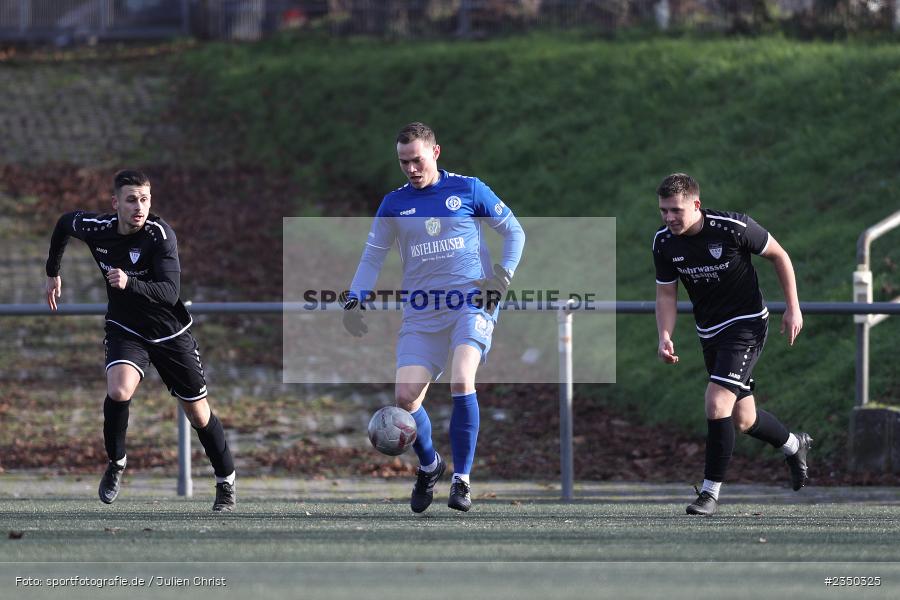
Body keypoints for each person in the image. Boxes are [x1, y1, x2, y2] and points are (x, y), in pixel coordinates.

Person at [343, 122, 525, 513]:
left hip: (470, 303)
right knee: (405, 397)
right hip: (422, 311)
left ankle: (462, 481)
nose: (410, 168)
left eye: (417, 160)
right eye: (403, 162)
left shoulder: (469, 189)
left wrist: (501, 278)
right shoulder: (393, 204)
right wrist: (355, 299)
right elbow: (372, 256)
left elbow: (515, 233)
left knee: (462, 378)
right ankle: (430, 466)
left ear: (436, 153)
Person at [45, 170, 236, 512]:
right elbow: (63, 224)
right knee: (118, 390)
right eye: (131, 199)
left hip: (170, 333)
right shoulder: (96, 228)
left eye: (145, 199)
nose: (139, 207)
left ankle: (226, 482)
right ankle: (116, 463)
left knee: (199, 414)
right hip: (126, 328)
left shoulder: (160, 236)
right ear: (115, 202)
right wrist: (52, 272)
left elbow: (169, 292)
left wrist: (128, 283)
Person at [652, 173, 811, 516]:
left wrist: (793, 308)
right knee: (742, 418)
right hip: (709, 331)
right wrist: (665, 334)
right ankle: (795, 446)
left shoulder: (732, 228)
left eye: (675, 210)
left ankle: (709, 494)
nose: (668, 218)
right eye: (663, 210)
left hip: (747, 325)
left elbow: (780, 256)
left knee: (716, 402)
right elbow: (666, 293)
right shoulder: (664, 243)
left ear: (696, 204)